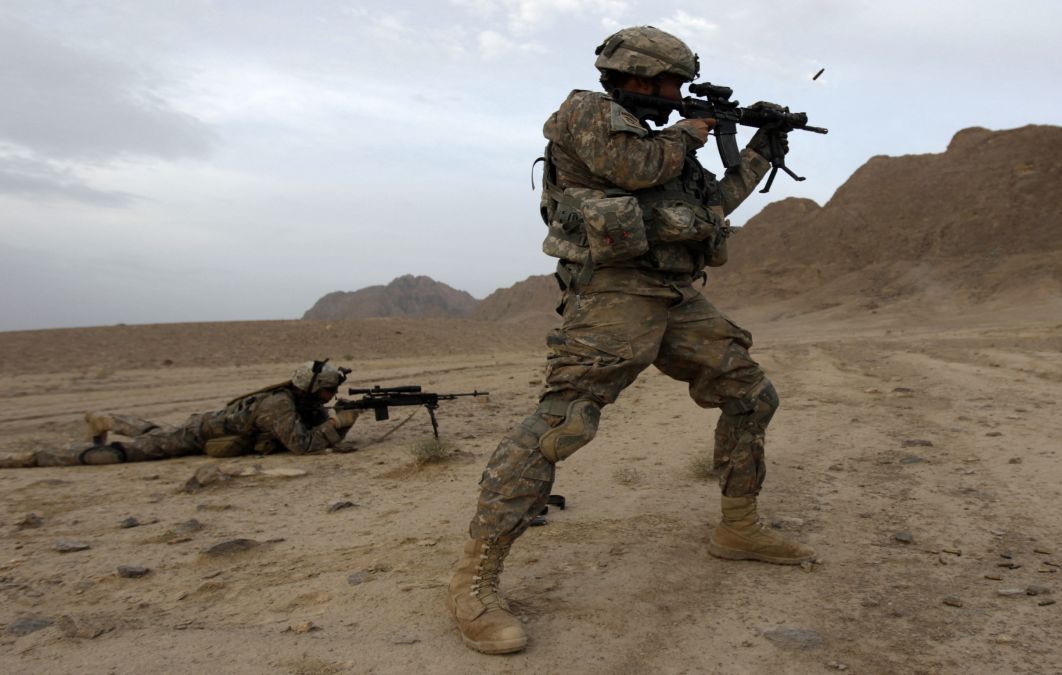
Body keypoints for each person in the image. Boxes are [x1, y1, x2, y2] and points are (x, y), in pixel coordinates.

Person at [447, 25, 814, 655]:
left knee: (750, 393)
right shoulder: (586, 114)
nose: (677, 96)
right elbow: (634, 167)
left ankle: (738, 526)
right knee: (564, 421)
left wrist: (759, 150)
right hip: (614, 293)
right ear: (638, 76)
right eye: (672, 84)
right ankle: (474, 582)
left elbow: (711, 204)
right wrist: (688, 130)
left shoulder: (662, 140)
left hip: (676, 294)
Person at [0, 361, 360, 468]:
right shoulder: (278, 405)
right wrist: (335, 425)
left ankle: (109, 421)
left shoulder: (297, 400)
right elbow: (300, 445)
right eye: (328, 391)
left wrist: (334, 424)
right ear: (312, 388)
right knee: (130, 453)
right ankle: (31, 458)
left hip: (199, 428)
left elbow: (311, 428)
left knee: (157, 433)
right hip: (199, 434)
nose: (331, 396)